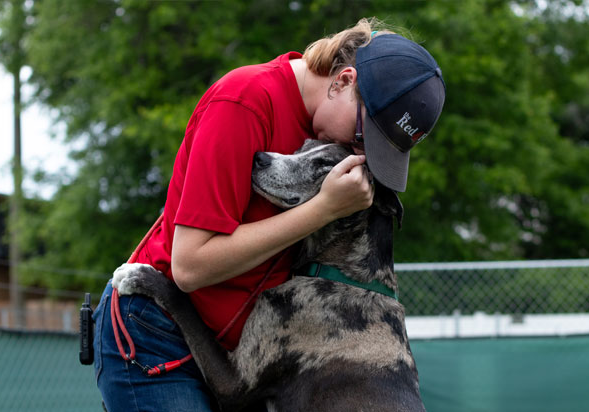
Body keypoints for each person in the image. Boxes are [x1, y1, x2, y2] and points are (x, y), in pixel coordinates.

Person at [92, 17, 445, 412]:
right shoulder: (244, 101)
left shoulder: (327, 134)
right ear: (344, 81)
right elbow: (188, 268)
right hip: (156, 329)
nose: (359, 154)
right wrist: (322, 209)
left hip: (233, 355)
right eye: (365, 137)